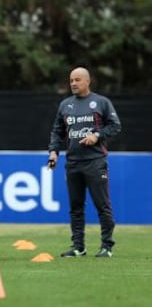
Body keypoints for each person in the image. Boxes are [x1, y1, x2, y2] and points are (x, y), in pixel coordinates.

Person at [47, 67, 121, 258]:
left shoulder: (101, 102)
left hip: (95, 162)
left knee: (102, 205)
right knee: (76, 207)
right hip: (73, 163)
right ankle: (78, 247)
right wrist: (53, 152)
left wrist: (96, 136)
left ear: (88, 82)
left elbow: (115, 126)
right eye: (71, 80)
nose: (73, 83)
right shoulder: (65, 105)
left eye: (77, 80)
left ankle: (107, 246)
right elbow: (57, 131)